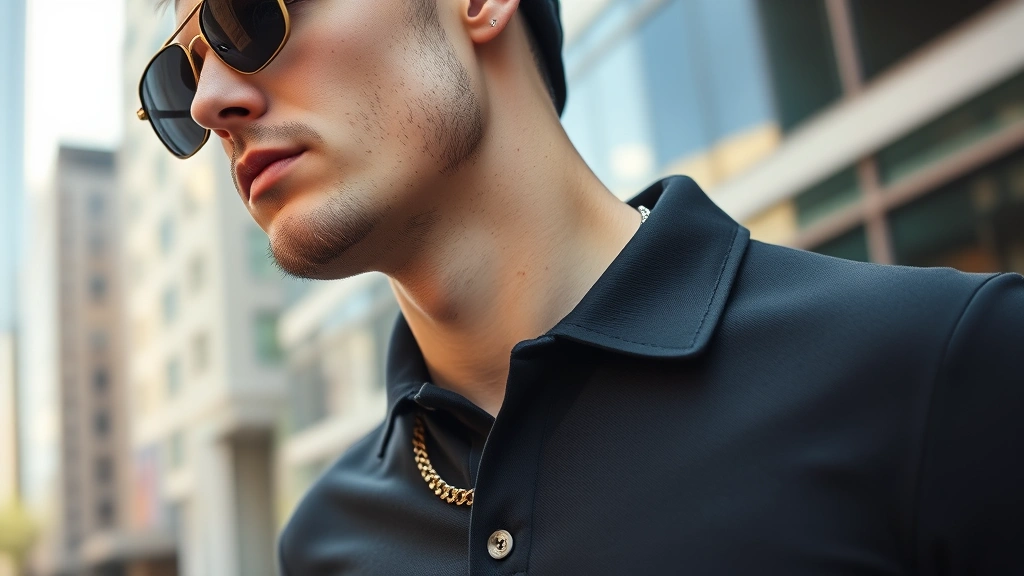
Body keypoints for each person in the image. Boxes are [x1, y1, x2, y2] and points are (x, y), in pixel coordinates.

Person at [137, 0, 1024, 573]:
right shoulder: (324, 538)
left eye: (246, 16)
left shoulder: (945, 369)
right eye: (180, 78)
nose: (212, 100)